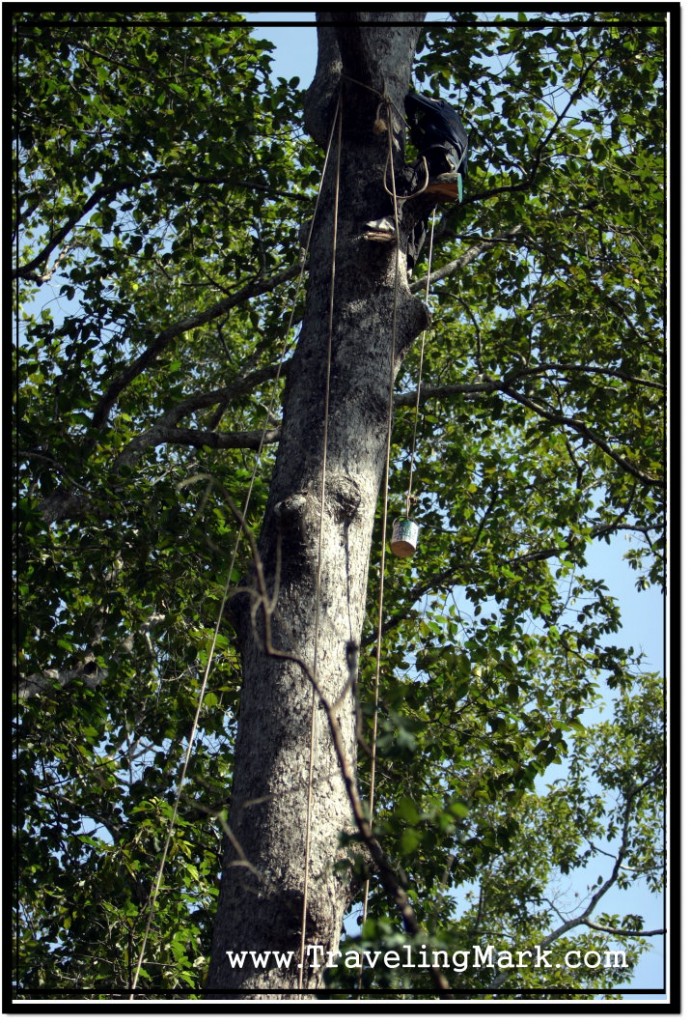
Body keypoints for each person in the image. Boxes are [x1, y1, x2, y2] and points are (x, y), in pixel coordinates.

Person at [365, 90, 469, 270]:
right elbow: (464, 171)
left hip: (439, 155)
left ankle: (391, 221)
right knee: (420, 215)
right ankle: (410, 260)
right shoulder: (459, 134)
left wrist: (412, 121)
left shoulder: (443, 108)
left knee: (406, 177)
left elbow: (412, 98)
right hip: (449, 163)